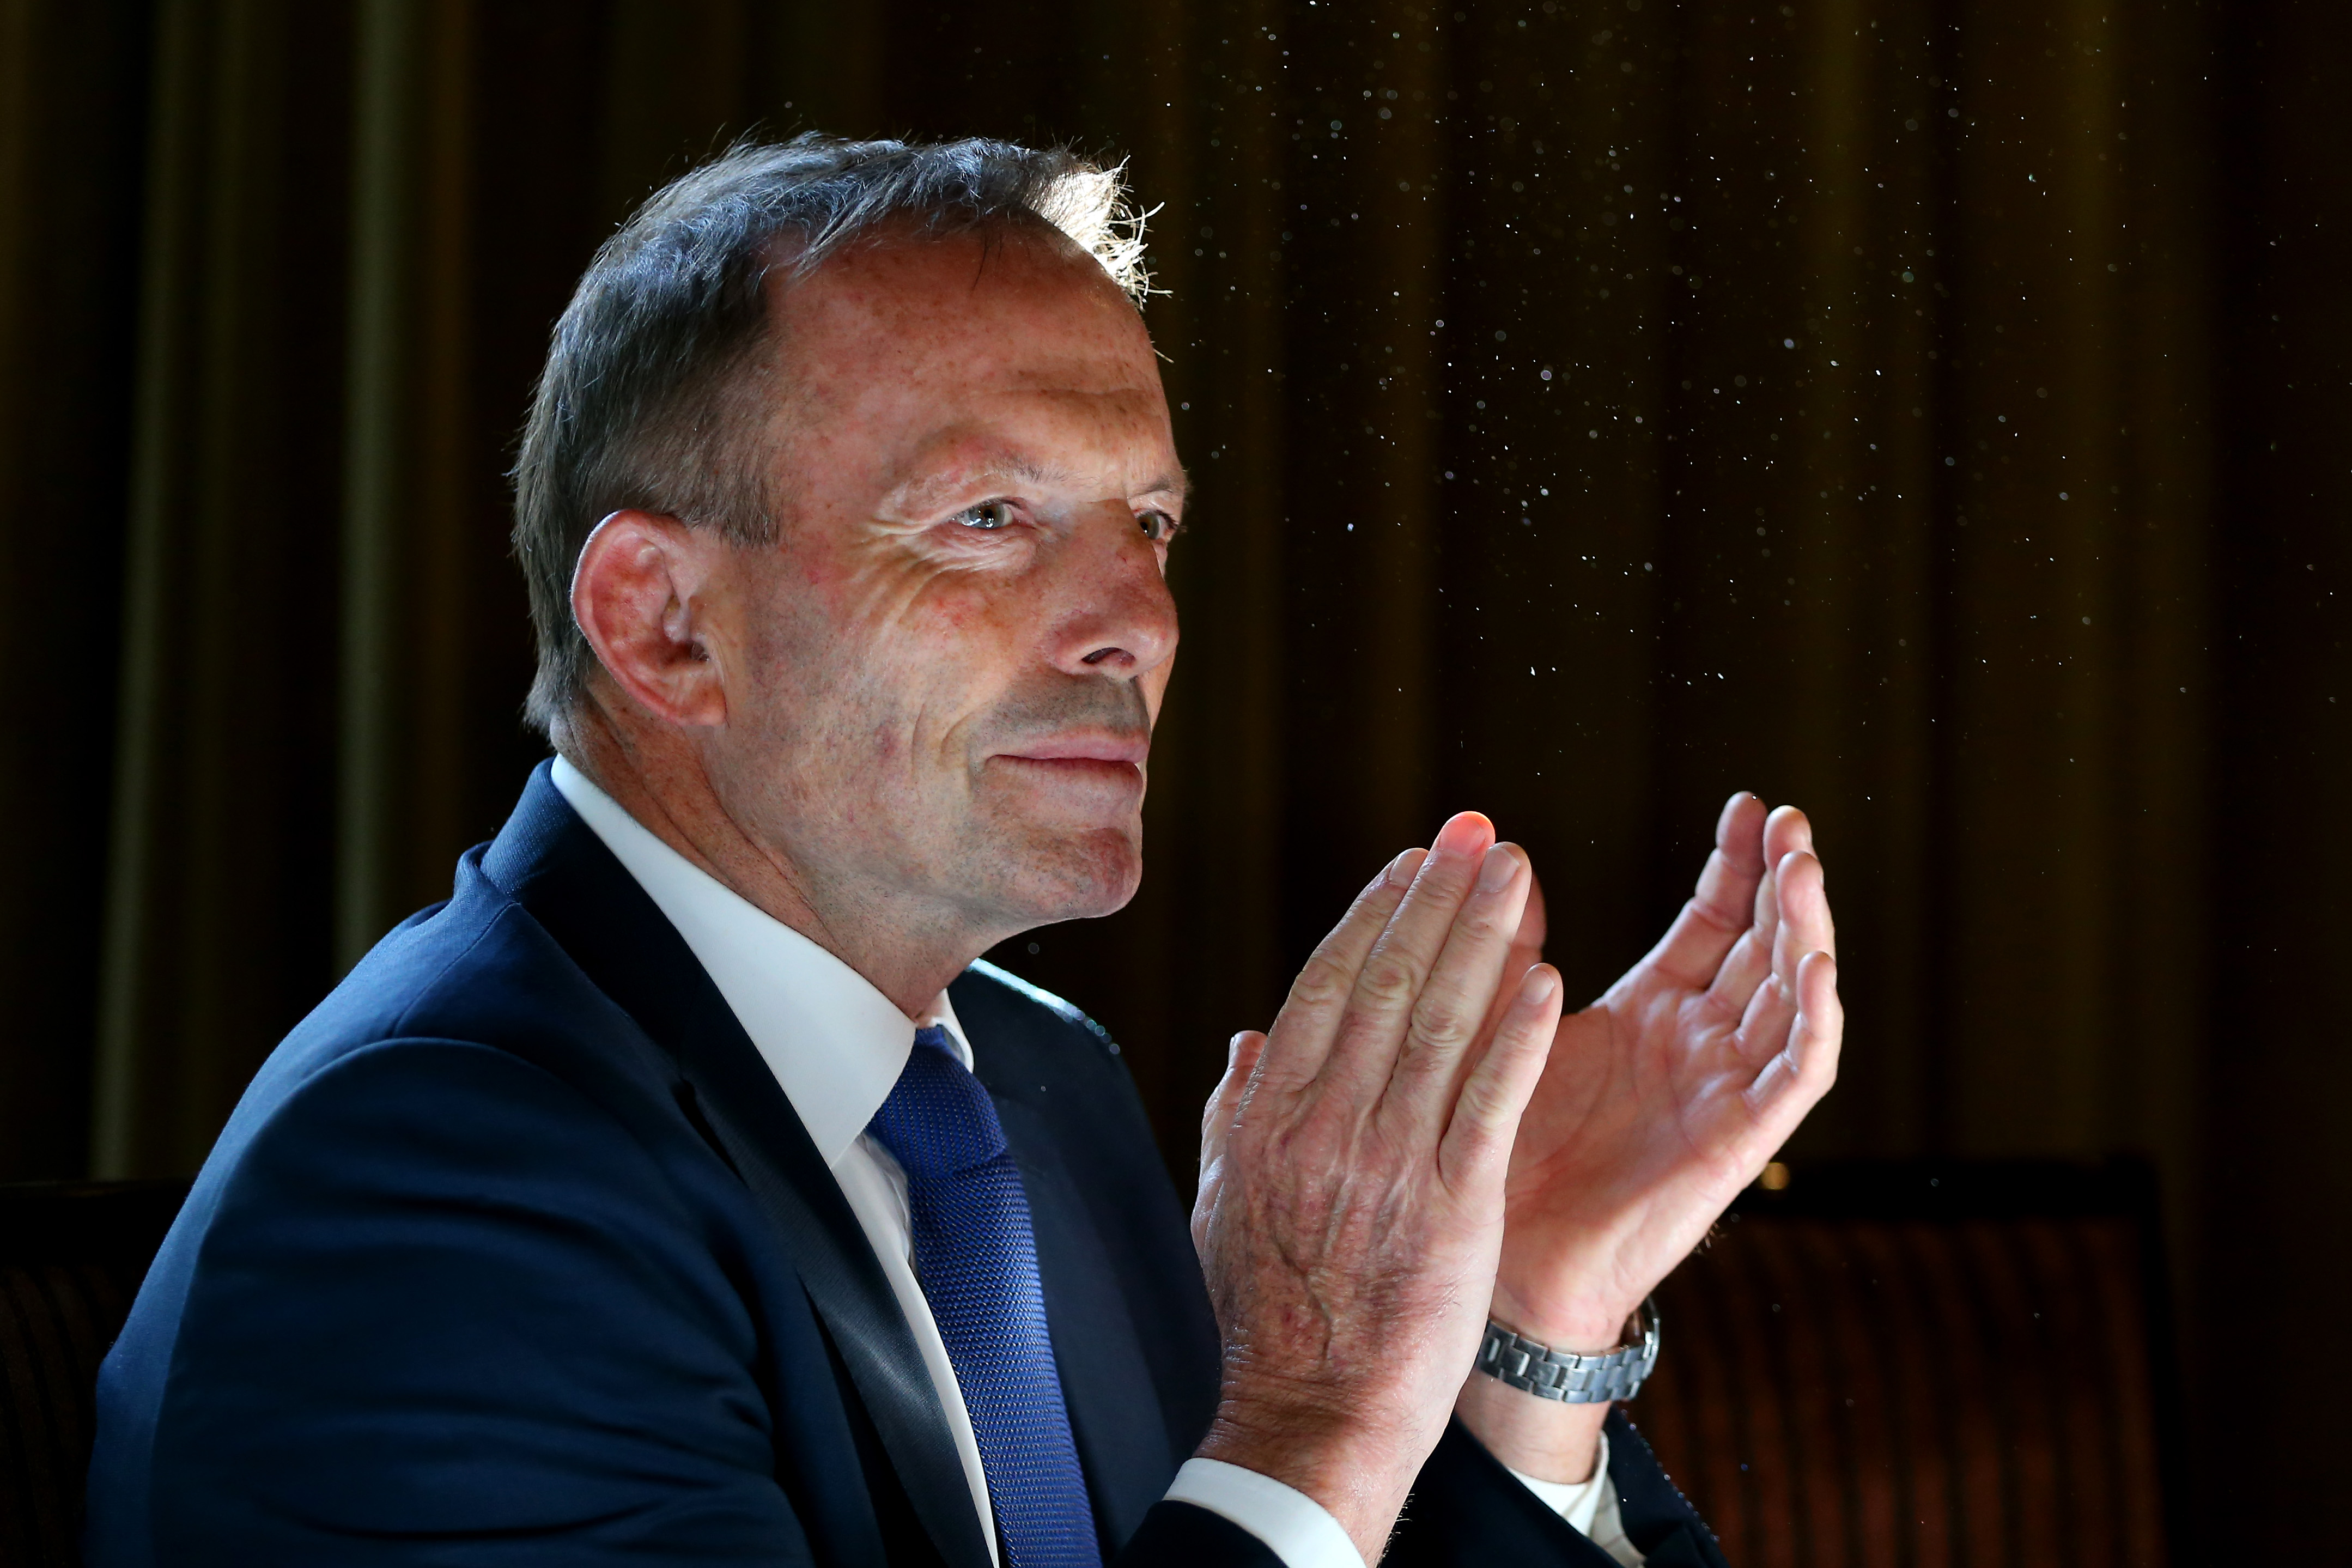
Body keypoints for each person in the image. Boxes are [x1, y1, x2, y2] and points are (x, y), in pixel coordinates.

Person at [86, 136, 1840, 1568]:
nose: (1133, 622)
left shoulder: (1037, 1092)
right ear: (663, 624)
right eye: (991, 519)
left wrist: (1517, 1337)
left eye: (1148, 523)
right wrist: (1313, 1400)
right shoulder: (440, 1186)